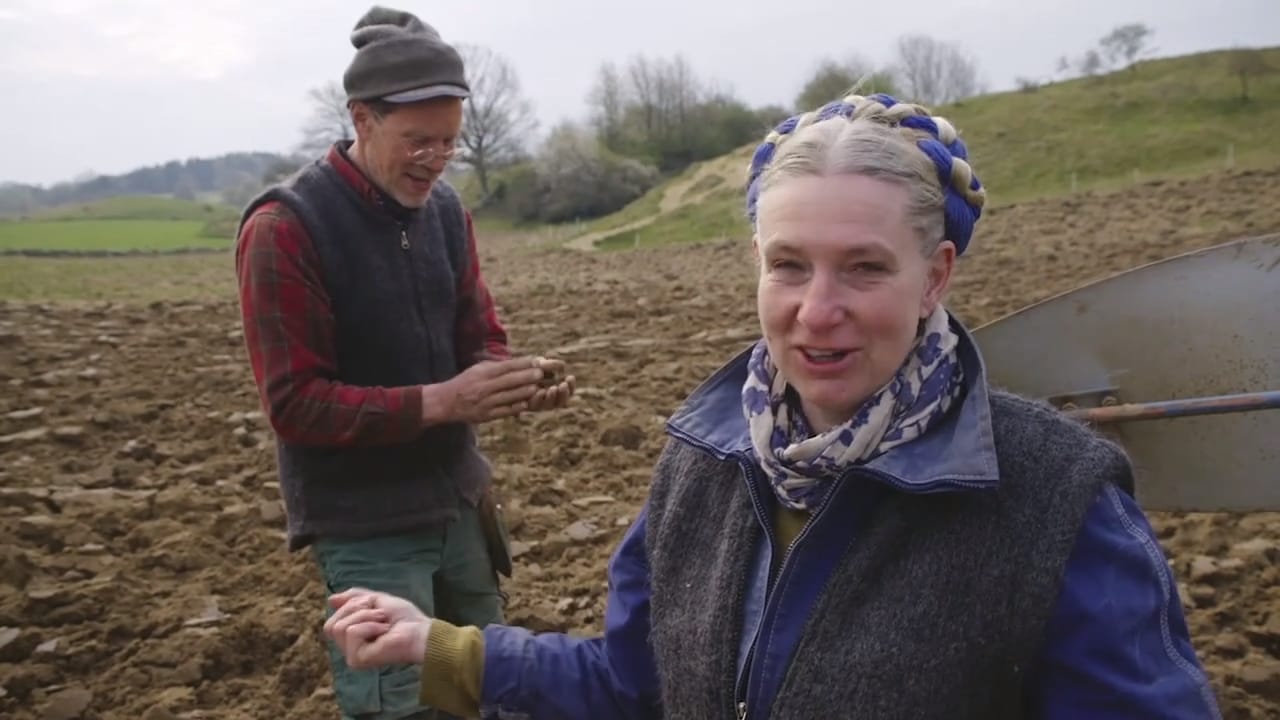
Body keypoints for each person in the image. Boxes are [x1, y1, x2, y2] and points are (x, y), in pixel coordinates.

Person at [320, 92, 1222, 719]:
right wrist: (441, 647)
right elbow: (638, 689)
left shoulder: (1053, 502)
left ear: (934, 276)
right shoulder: (704, 462)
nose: (815, 309)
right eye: (788, 264)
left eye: (864, 267)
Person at [233, 6, 574, 719]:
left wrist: (510, 382)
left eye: (448, 142)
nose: (435, 159)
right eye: (417, 140)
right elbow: (296, 404)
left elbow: (479, 332)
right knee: (402, 708)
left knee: (489, 691)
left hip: (460, 509)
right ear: (361, 118)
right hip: (366, 526)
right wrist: (443, 401)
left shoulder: (446, 211)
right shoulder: (286, 228)